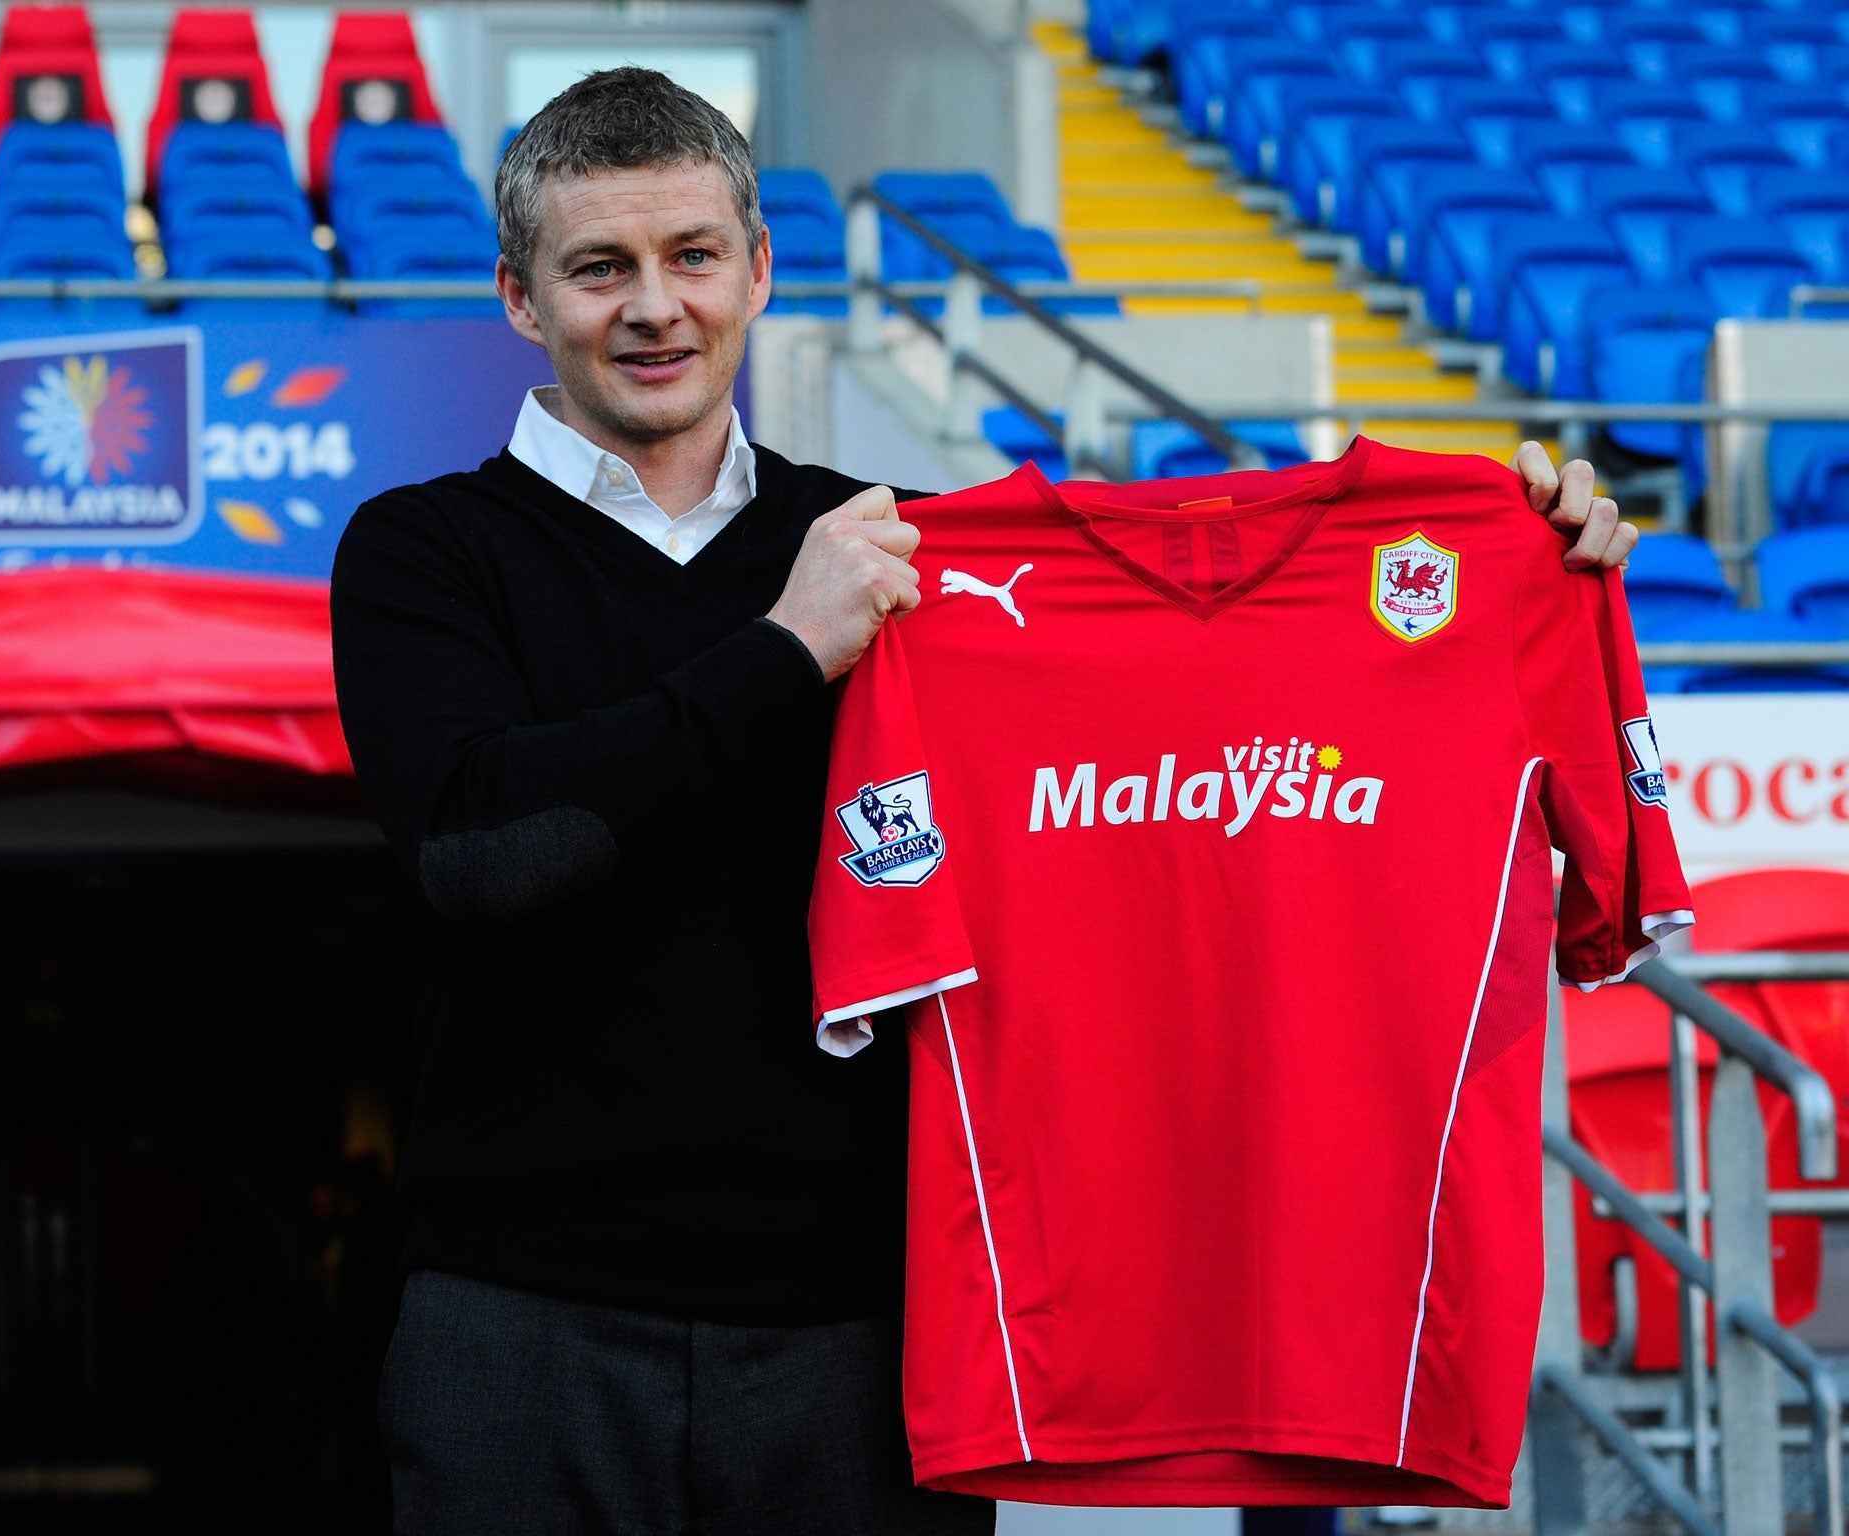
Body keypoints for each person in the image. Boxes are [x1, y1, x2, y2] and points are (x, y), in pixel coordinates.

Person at [329, 67, 1638, 1536]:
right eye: (598, 269)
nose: (654, 307)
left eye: (693, 256)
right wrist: (786, 650)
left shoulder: (915, 551)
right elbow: (487, 847)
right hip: (521, 1325)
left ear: (760, 269)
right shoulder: (423, 548)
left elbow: (1206, 674)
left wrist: (1502, 556)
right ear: (519, 297)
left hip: (857, 1330)